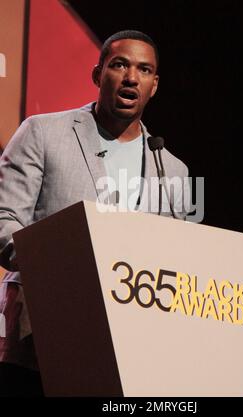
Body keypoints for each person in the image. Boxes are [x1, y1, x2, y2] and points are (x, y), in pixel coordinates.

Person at [0, 30, 189, 396]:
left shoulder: (173, 171)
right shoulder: (43, 133)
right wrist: (61, 266)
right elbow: (4, 220)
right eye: (119, 65)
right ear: (97, 75)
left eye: (144, 70)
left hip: (124, 350)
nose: (131, 77)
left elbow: (174, 263)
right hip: (37, 339)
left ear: (154, 86)